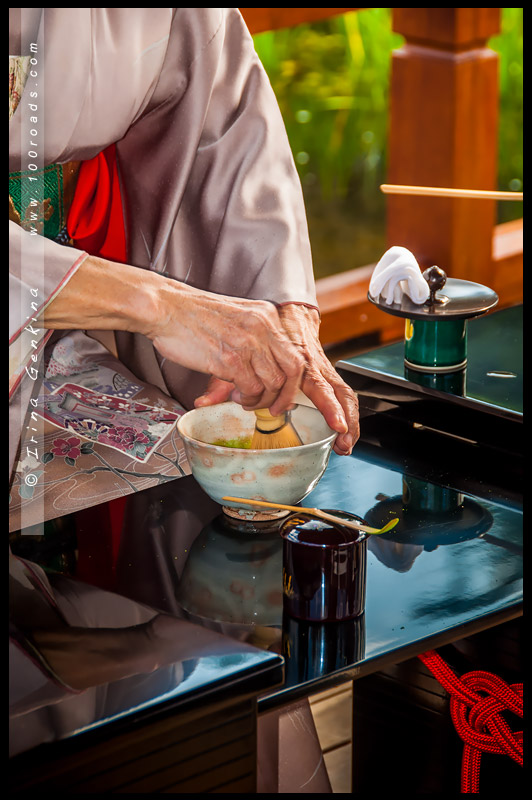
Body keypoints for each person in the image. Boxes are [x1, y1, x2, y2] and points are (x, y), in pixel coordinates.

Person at [9, 8, 359, 527]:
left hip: (56, 331)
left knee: (181, 481)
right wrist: (163, 307)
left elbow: (224, 123)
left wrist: (279, 305)